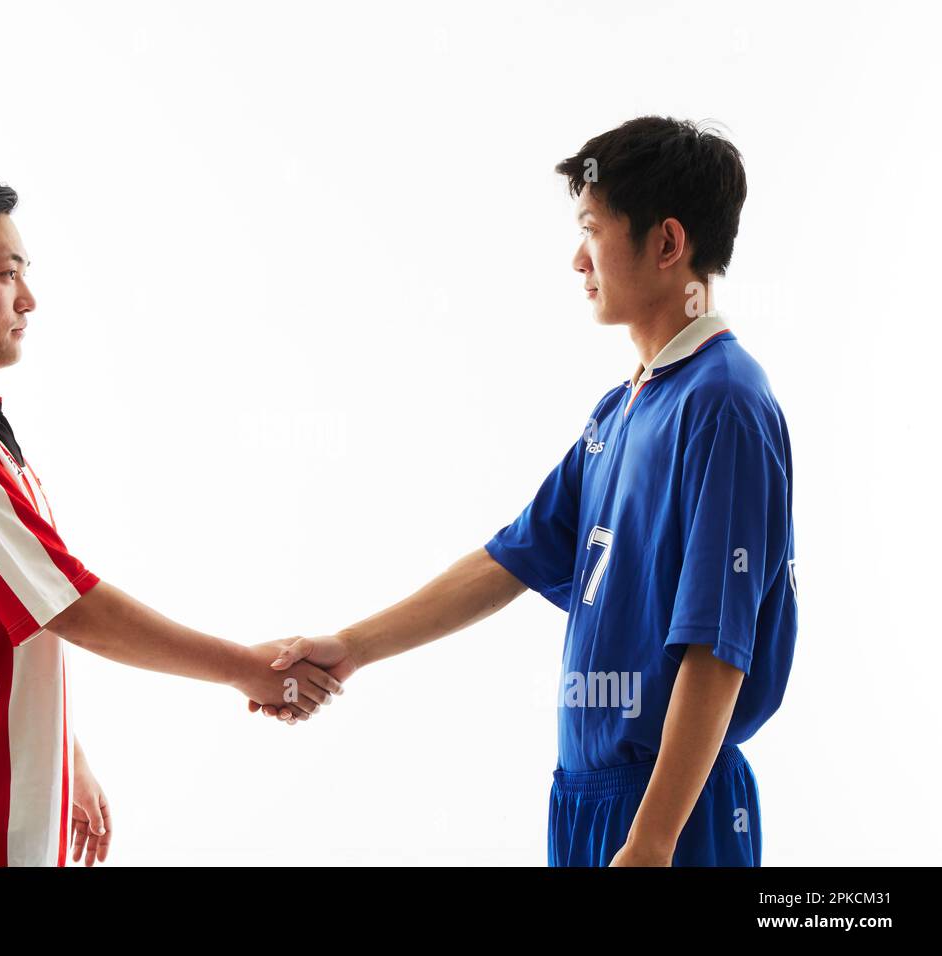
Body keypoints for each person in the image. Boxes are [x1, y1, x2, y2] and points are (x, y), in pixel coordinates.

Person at [253, 117, 798, 867]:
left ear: (668, 245)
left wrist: (652, 840)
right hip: (585, 800)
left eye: (592, 229)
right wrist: (351, 648)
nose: (579, 258)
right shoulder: (624, 407)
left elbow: (718, 646)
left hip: (671, 815)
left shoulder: (725, 403)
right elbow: (507, 560)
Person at [0, 169, 343, 867]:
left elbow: (8, 614)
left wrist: (63, 753)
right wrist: (245, 668)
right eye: (6, 273)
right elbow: (69, 603)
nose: (29, 298)